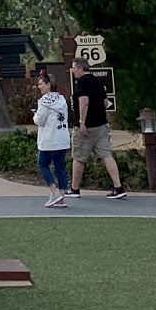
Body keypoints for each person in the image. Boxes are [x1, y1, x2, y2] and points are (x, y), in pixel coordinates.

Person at [64, 55, 127, 199]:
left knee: (79, 157)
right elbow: (105, 102)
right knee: (106, 155)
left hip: (86, 127)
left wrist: (82, 122)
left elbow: (84, 102)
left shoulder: (81, 82)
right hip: (101, 125)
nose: (72, 71)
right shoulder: (97, 82)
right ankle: (118, 187)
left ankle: (74, 189)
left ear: (80, 68)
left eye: (73, 68)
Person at [32, 71, 72, 206]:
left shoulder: (43, 101)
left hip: (49, 139)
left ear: (49, 84)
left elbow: (39, 120)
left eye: (41, 84)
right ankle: (61, 196)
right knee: (60, 167)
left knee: (42, 164)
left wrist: (35, 115)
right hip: (62, 138)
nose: (39, 87)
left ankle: (54, 192)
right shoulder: (62, 99)